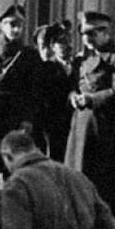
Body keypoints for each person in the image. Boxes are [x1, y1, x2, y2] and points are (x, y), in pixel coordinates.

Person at [64, 11, 115, 219]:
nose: (86, 40)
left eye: (91, 35)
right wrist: (73, 96)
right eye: (84, 35)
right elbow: (72, 85)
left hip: (106, 130)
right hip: (81, 129)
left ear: (105, 33)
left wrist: (90, 99)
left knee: (105, 189)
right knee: (79, 181)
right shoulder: (82, 59)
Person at [0, 5, 48, 174]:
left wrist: (27, 119)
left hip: (13, 116)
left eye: (20, 25)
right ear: (1, 25)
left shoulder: (29, 55)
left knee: (11, 159)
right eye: (11, 24)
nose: (16, 29)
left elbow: (34, 92)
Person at [35, 20, 76, 162]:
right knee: (55, 157)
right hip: (52, 122)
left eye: (69, 41)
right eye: (62, 42)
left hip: (72, 121)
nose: (68, 46)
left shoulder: (77, 66)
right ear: (53, 46)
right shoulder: (48, 68)